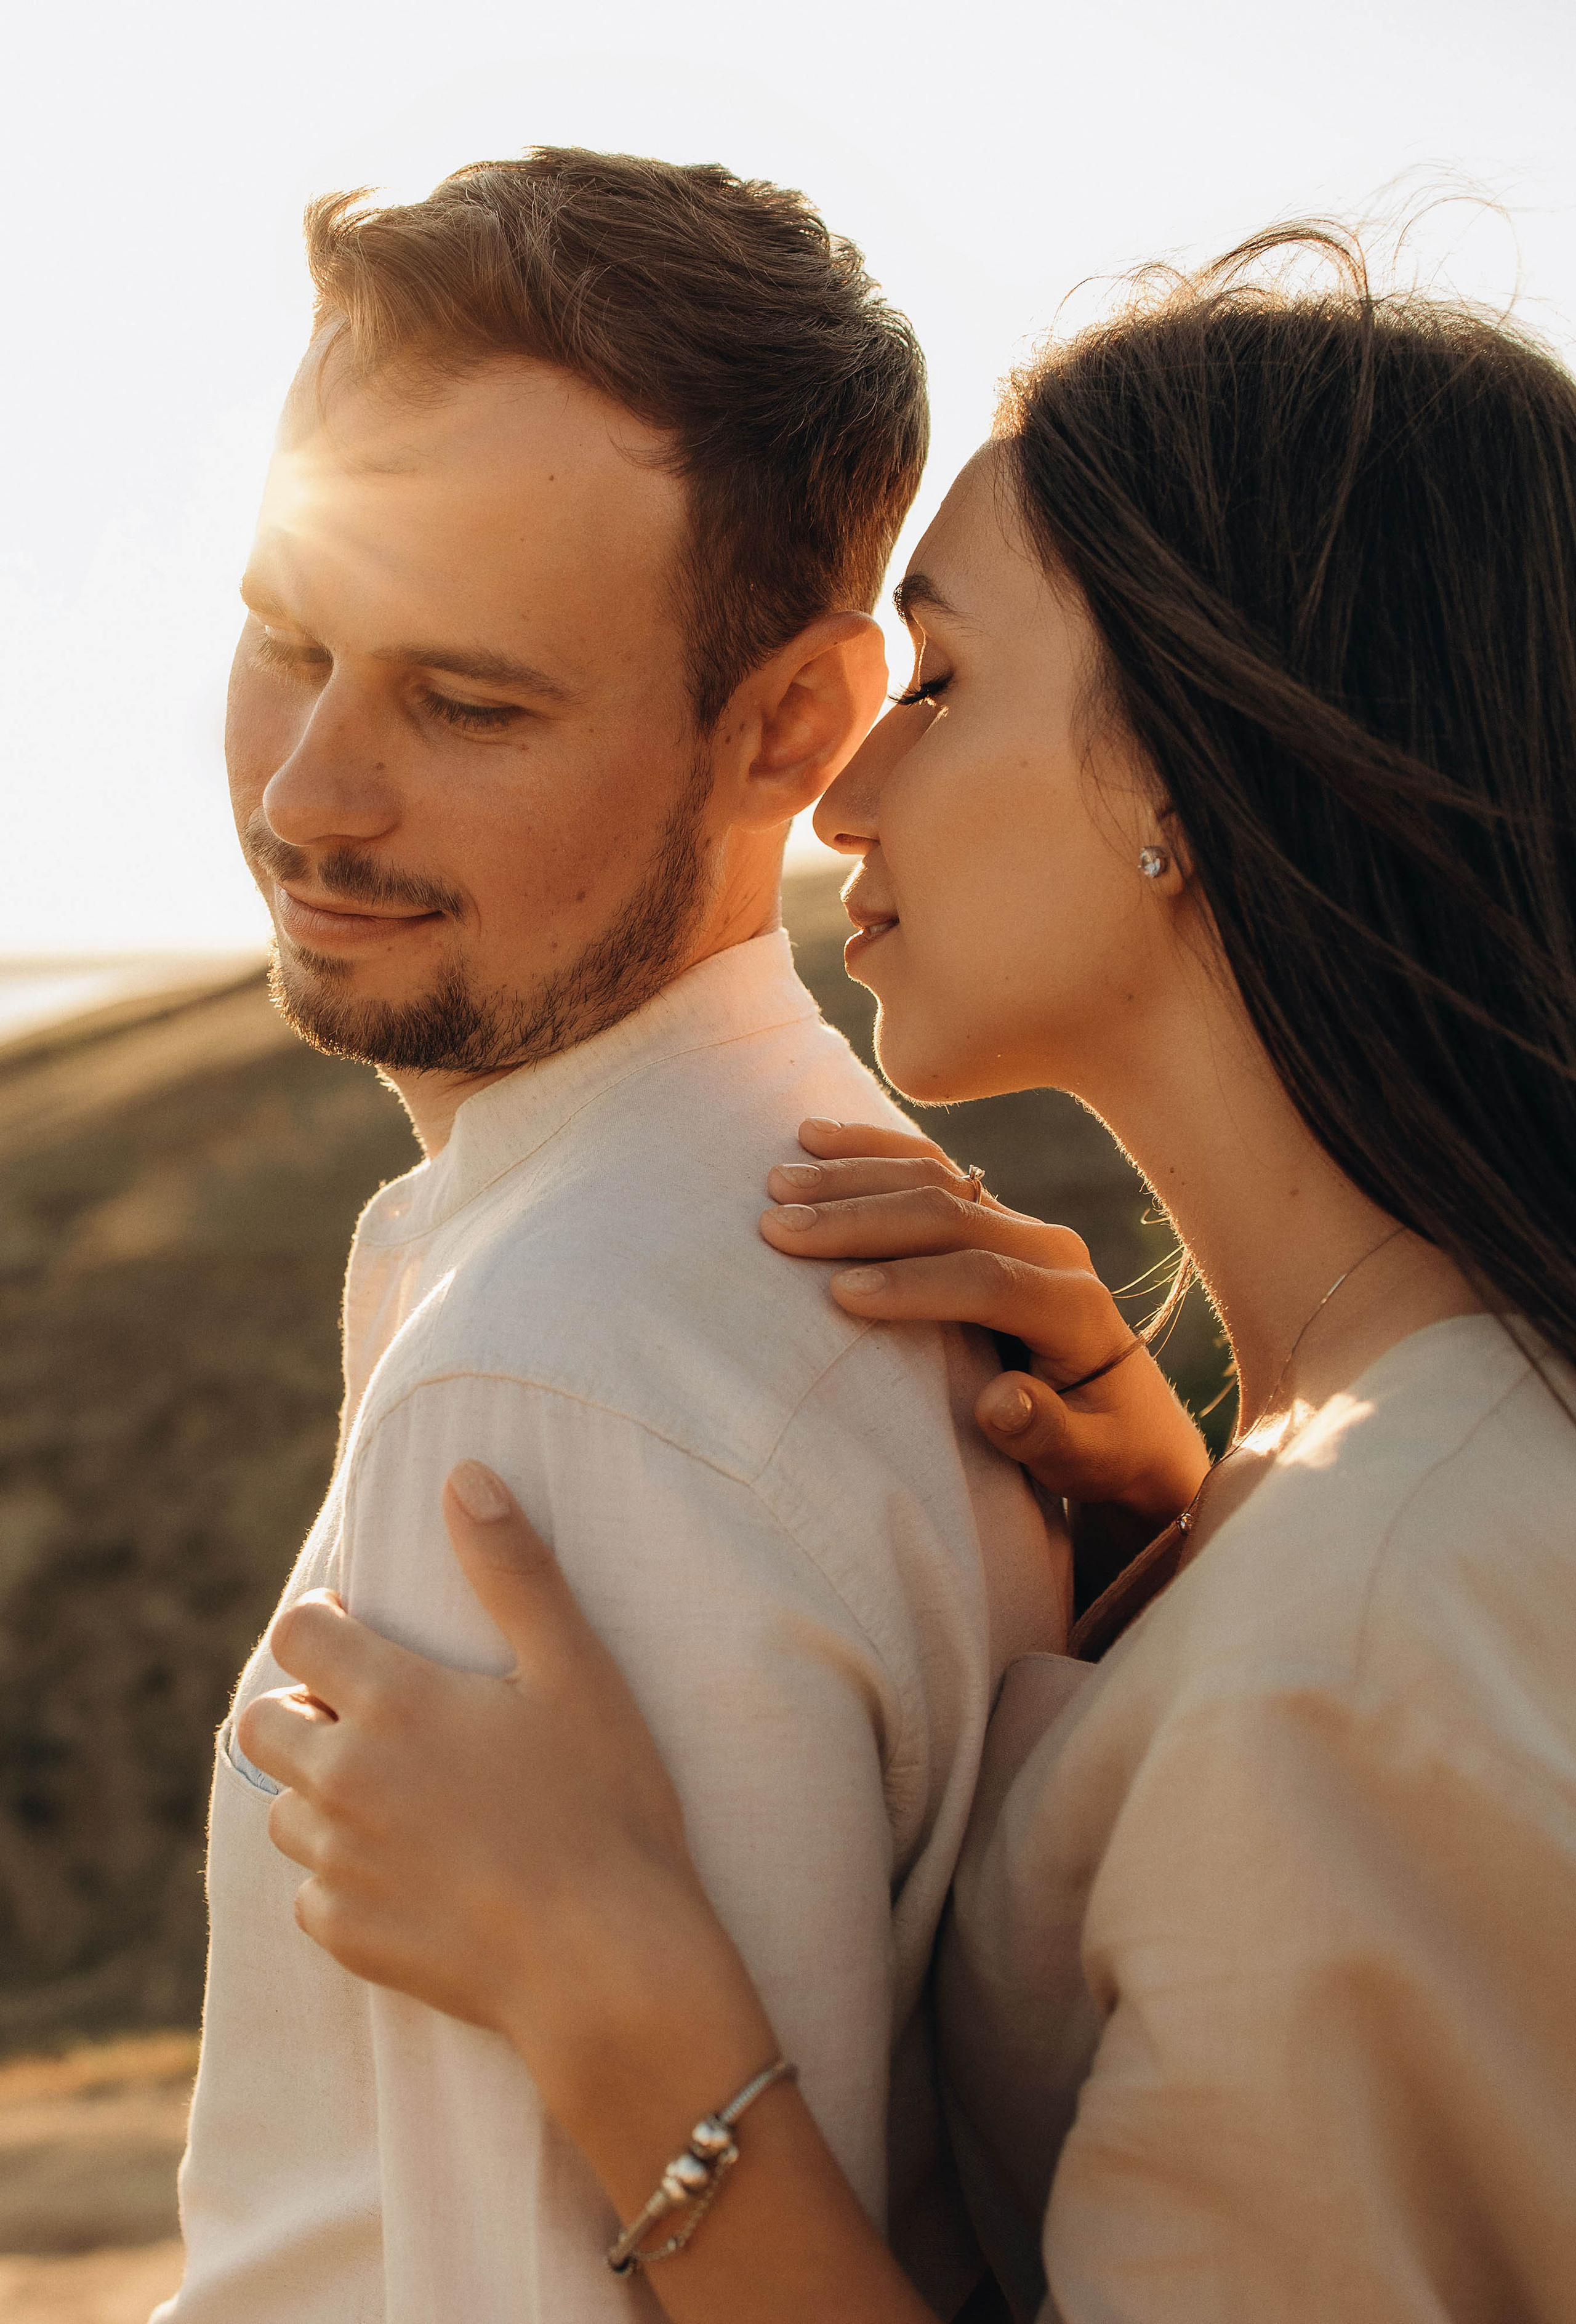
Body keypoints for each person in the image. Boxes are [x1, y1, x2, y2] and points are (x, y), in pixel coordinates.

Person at [241, 222, 1576, 2323]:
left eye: (937, 684)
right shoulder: (1375, 1491)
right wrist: (1184, 1522)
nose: (842, 795)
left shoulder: (1372, 1625)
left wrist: (625, 2004)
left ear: (1196, 783)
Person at [162, 149, 1070, 2324]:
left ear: (791, 728)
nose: (309, 797)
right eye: (288, 642)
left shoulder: (556, 1379)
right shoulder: (782, 1212)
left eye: (469, 705)